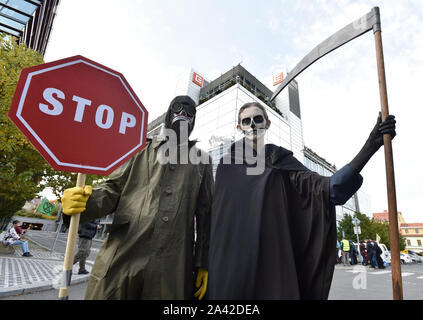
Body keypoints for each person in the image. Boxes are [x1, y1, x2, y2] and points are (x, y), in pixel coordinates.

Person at [208, 102, 396, 299]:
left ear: (268, 123)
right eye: (246, 121)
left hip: (274, 264)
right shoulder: (227, 166)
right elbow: (218, 223)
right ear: (239, 128)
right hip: (235, 267)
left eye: (258, 119)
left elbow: (329, 189)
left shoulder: (282, 163)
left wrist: (371, 145)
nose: (252, 125)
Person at [61, 96, 213, 300]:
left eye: (190, 111)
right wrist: (84, 202)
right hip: (122, 256)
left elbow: (206, 215)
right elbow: (113, 189)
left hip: (172, 267)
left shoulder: (202, 161)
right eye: (178, 108)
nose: (184, 114)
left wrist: (203, 262)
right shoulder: (139, 147)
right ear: (169, 113)